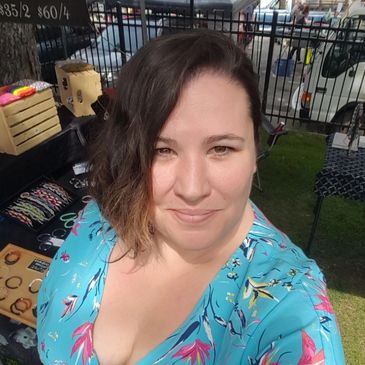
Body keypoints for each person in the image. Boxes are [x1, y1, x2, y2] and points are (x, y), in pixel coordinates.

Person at [37, 29, 345, 365]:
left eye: (221, 148)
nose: (193, 188)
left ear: (254, 152)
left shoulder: (292, 315)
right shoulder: (99, 221)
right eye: (162, 149)